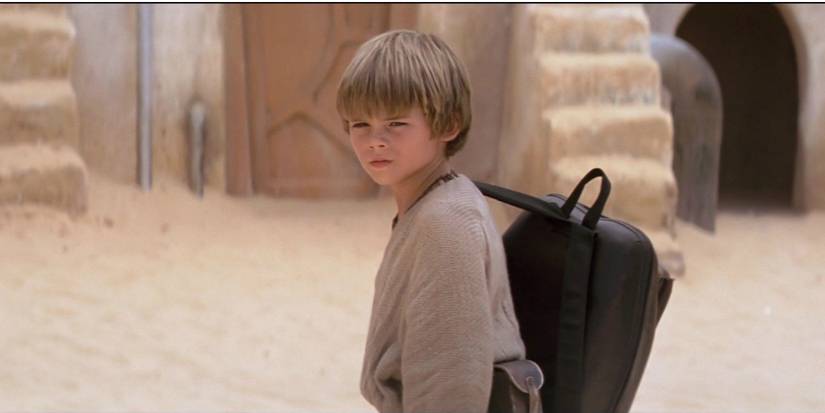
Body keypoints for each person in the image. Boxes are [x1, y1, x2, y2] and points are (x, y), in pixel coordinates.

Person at [336, 29, 526, 412]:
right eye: (360, 124)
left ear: (447, 125)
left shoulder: (446, 224)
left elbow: (451, 391)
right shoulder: (432, 204)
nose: (375, 140)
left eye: (396, 124)